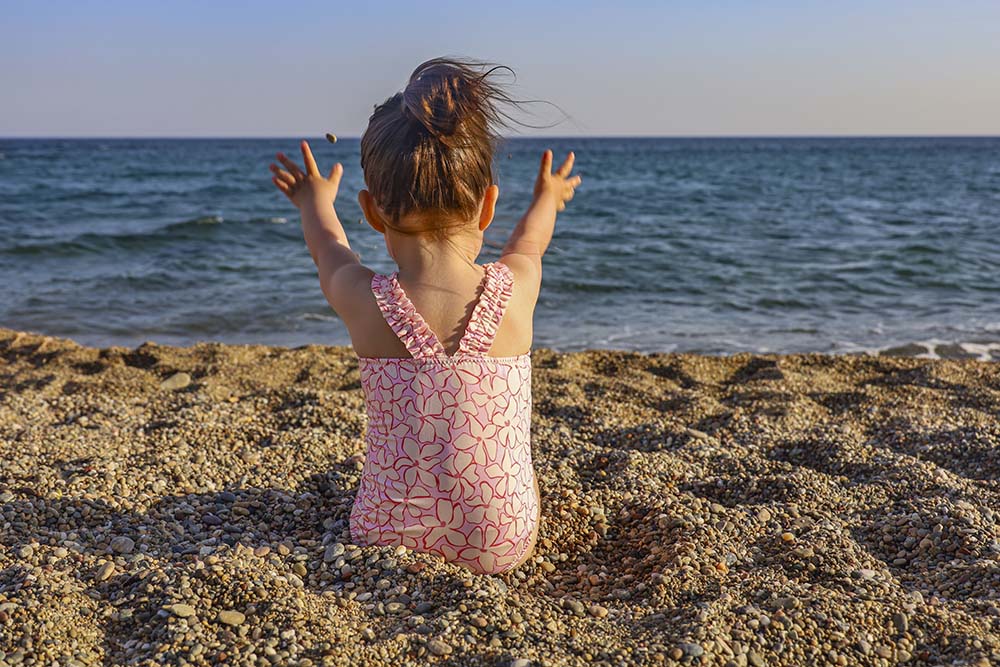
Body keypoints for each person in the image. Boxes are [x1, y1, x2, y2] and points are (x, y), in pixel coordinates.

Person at [269, 57, 580, 574]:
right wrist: (548, 197)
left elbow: (330, 252)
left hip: (385, 530)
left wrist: (311, 201)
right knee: (522, 482)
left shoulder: (363, 297)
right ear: (487, 207)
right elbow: (530, 244)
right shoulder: (516, 287)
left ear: (371, 212)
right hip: (498, 539)